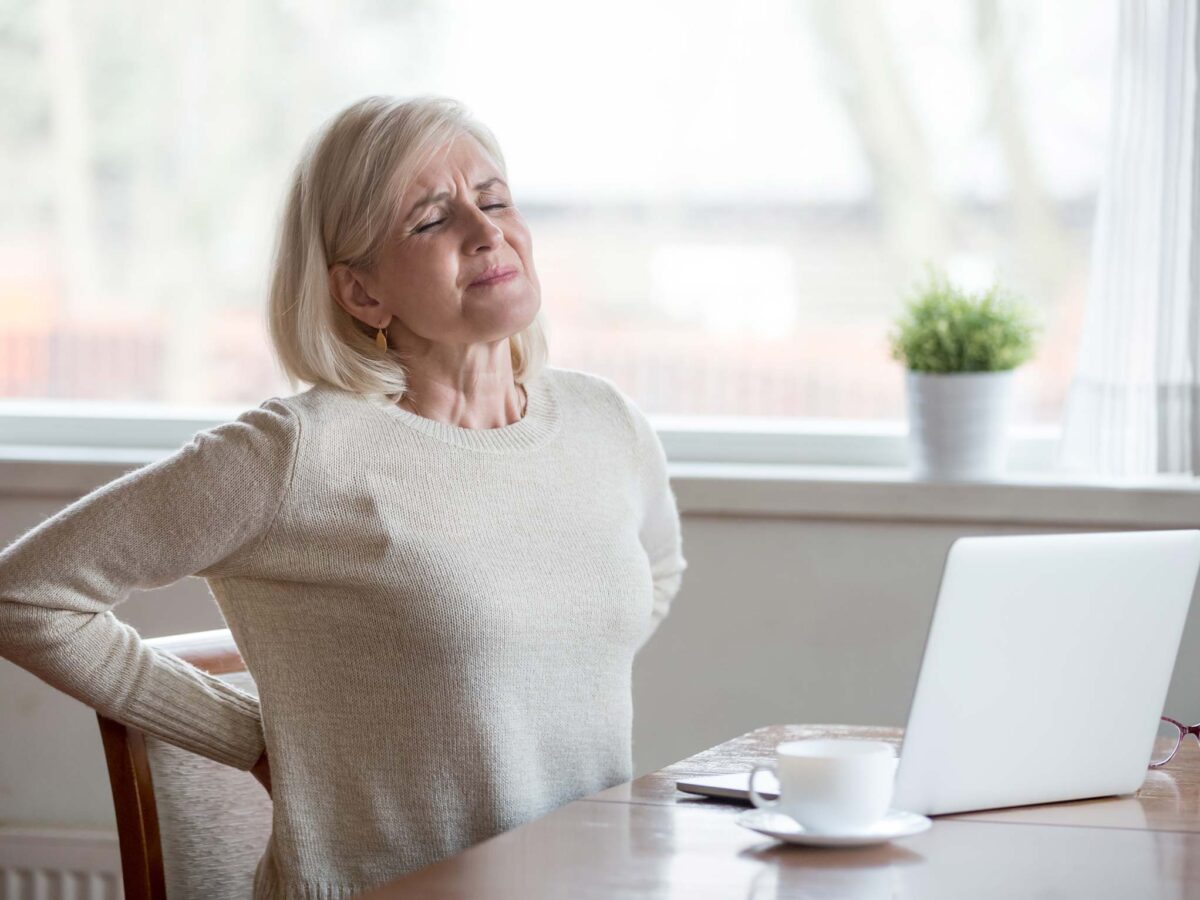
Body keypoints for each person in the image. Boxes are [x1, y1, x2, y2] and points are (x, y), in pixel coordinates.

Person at [0, 94, 688, 898]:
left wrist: (538, 659)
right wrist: (253, 736)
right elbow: (25, 597)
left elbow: (658, 570)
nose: (486, 230)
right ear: (362, 293)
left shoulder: (605, 422)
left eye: (494, 198)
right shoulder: (300, 455)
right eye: (432, 220)